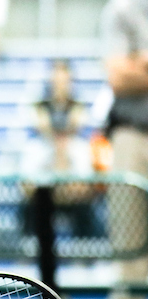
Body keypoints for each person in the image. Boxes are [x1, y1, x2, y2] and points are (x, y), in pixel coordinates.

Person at [103, 0, 148, 299]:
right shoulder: (123, 9)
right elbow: (117, 76)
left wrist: (142, 62)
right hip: (132, 136)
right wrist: (132, 66)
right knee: (129, 252)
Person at [19, 60, 98, 240]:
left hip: (70, 192)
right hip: (45, 156)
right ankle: (29, 244)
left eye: (65, 80)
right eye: (57, 80)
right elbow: (27, 187)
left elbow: (83, 189)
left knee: (85, 201)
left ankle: (85, 246)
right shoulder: (40, 111)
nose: (61, 85)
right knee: (31, 204)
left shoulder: (78, 112)